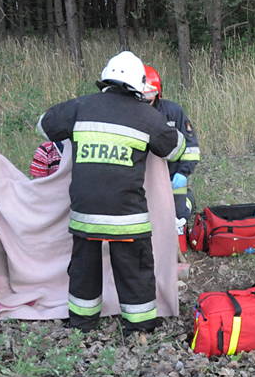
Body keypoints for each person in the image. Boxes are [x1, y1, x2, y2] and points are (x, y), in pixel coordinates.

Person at [36, 51, 185, 333]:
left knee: (84, 270)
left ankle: (82, 323)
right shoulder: (147, 116)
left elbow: (43, 125)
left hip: (85, 214)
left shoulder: (80, 106)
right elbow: (175, 147)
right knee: (135, 271)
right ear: (138, 85)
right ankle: (139, 329)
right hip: (126, 217)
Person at [141, 65, 201, 236]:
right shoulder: (128, 114)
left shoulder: (173, 112)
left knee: (178, 214)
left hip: (172, 176)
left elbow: (191, 147)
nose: (146, 99)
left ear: (158, 92)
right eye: (142, 95)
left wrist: (183, 173)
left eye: (150, 94)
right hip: (141, 177)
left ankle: (188, 198)